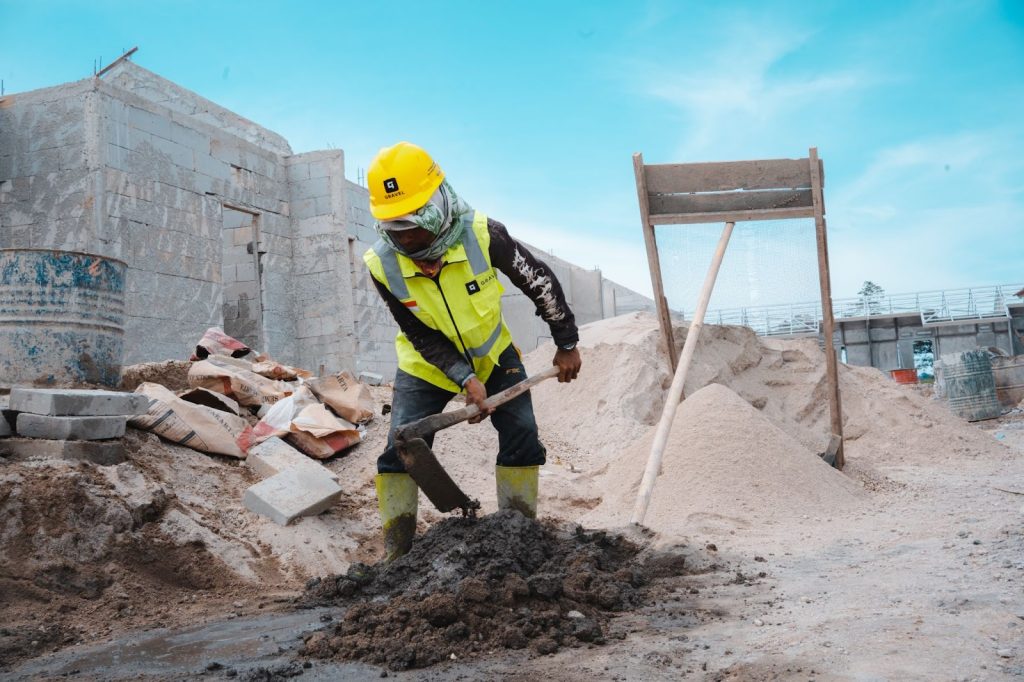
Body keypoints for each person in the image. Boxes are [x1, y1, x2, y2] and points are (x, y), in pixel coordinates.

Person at [363, 141, 582, 561]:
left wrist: (566, 342)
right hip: (425, 366)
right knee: (400, 448)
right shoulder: (380, 264)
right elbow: (418, 333)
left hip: (495, 355)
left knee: (521, 437)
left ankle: (520, 541)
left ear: (438, 207)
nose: (407, 239)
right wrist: (464, 378)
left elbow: (538, 282)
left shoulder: (483, 234)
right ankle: (396, 554)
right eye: (395, 230)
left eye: (414, 225)